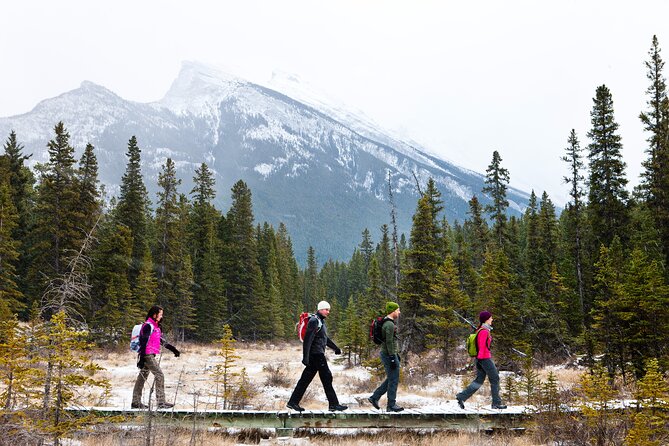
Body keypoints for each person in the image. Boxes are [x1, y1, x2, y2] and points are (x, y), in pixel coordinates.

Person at [287, 300, 348, 412]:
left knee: (305, 380)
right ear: (320, 309)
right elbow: (308, 340)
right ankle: (334, 404)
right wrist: (305, 357)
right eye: (326, 309)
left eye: (328, 310)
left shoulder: (320, 321)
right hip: (316, 355)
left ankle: (293, 402)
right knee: (327, 377)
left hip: (316, 355)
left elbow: (325, 339)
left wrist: (336, 348)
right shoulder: (314, 321)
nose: (328, 312)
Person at [132, 305, 181, 409]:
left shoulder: (155, 326)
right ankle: (161, 402)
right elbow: (143, 342)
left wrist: (173, 349)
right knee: (159, 375)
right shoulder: (148, 326)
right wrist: (142, 358)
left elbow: (160, 341)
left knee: (142, 377)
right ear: (154, 315)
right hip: (147, 355)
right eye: (160, 314)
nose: (162, 316)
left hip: (149, 354)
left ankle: (135, 402)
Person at [456, 310, 507, 410]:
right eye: (491, 318)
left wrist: (479, 360)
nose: (492, 319)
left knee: (479, 380)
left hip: (480, 359)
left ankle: (462, 396)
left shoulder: (482, 330)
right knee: (495, 378)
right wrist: (483, 360)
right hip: (484, 358)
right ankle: (496, 403)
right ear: (486, 319)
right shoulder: (484, 331)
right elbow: (482, 346)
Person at [368, 301, 404, 412]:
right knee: (394, 380)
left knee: (391, 378)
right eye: (397, 310)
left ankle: (375, 397)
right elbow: (389, 342)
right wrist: (393, 357)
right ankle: (391, 405)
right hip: (388, 355)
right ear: (393, 311)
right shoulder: (389, 324)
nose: (399, 312)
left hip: (389, 354)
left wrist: (395, 355)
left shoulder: (389, 322)